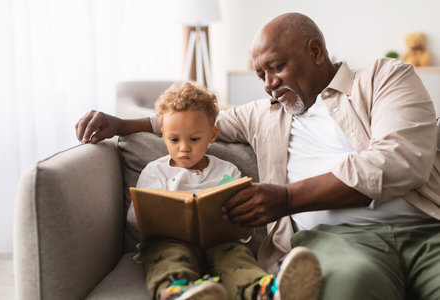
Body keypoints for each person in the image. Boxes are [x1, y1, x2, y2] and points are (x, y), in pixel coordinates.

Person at [76, 13, 440, 300]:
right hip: (338, 240)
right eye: (260, 74)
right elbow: (195, 120)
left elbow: (400, 160)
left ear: (315, 52)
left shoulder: (383, 78)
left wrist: (286, 197)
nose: (268, 83)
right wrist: (122, 123)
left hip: (427, 229)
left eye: (276, 67)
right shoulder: (263, 114)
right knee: (351, 286)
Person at [122, 81, 322, 300]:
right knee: (166, 257)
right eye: (174, 139)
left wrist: (240, 223)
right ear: (163, 135)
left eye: (194, 139)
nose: (184, 148)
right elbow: (134, 218)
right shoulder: (156, 171)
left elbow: (245, 226)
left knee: (235, 257)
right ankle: (179, 293)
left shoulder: (227, 172)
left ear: (213, 135)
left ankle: (264, 292)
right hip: (169, 242)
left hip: (219, 243)